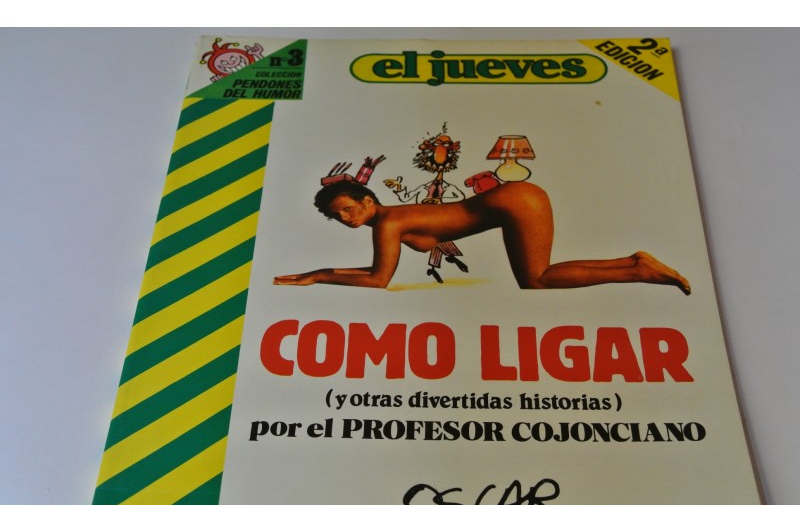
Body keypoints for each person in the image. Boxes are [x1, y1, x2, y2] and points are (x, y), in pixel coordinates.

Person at [273, 180, 690, 293]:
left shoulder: (388, 223)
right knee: (538, 276)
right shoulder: (392, 220)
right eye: (338, 216)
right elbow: (378, 270)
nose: (346, 218)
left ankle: (639, 270)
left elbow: (379, 279)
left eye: (349, 208)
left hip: (515, 201)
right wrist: (322, 272)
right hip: (516, 199)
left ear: (367, 200)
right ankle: (634, 264)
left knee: (536, 280)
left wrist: (319, 275)